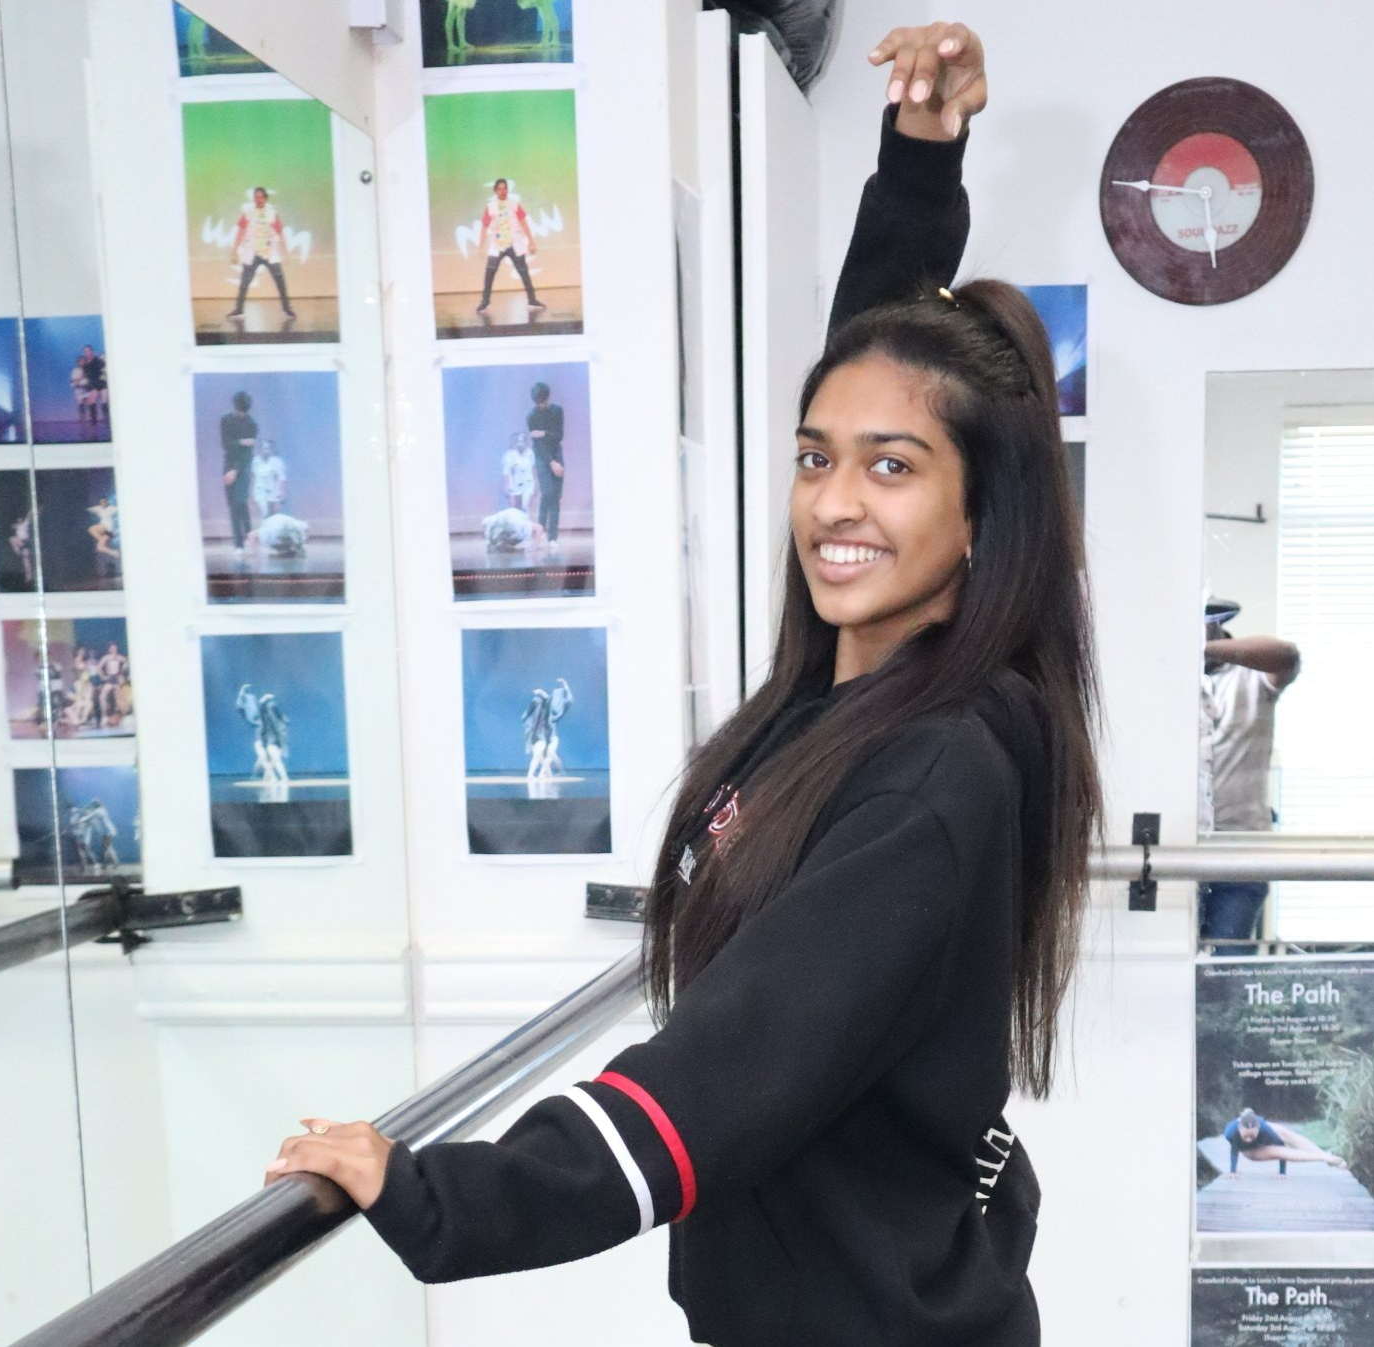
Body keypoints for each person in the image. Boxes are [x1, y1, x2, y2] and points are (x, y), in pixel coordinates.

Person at [269, 25, 1097, 1347]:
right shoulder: (856, 696)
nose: (833, 501)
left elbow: (727, 1068)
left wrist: (444, 1197)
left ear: (981, 517)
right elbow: (883, 368)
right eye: (815, 456)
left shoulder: (934, 772)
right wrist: (918, 170)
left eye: (891, 469)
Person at [1199, 598, 1300, 947]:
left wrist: (1197, 647)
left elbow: (1286, 655)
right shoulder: (1165, 682)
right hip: (1177, 850)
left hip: (1240, 853)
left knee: (1224, 977)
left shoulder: (1252, 676)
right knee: (1168, 968)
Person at [475, 178, 545, 318]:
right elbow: (484, 226)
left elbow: (523, 223)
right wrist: (480, 246)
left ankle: (532, 299)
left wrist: (531, 241)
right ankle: (485, 301)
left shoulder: (514, 205)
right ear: (495, 190)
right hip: (497, 244)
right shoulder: (490, 206)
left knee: (524, 272)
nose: (503, 191)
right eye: (500, 189)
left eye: (505, 188)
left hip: (514, 243)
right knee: (489, 273)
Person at [228, 186, 297, 320]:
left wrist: (285, 251)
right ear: (254, 198)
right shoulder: (247, 213)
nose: (258, 200)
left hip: (269, 252)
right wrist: (234, 250)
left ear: (265, 198)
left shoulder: (272, 213)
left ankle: (287, 309)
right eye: (256, 197)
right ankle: (238, 309)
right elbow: (241, 232)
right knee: (244, 281)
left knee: (280, 280)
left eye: (261, 197)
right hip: (252, 252)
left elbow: (279, 232)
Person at [1220, 1107, 1347, 1175]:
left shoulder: (1265, 1127)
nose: (1248, 1139)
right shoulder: (1230, 1132)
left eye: (1251, 1136)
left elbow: (1281, 1145)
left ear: (1258, 1128)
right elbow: (1234, 1151)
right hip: (1250, 1151)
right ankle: (1324, 1157)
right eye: (1245, 1136)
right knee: (1274, 1151)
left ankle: (1326, 1157)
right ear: (1239, 1128)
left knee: (1285, 1133)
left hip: (1265, 1136)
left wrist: (1282, 1172)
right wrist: (1232, 1171)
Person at [527, 381, 565, 553]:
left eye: (543, 401)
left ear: (548, 398)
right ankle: (540, 530)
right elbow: (539, 445)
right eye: (538, 402)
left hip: (557, 453)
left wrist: (543, 433)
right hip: (543, 458)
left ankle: (553, 537)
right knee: (547, 492)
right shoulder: (531, 415)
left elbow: (558, 436)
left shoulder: (557, 411)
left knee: (555, 496)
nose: (541, 405)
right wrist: (551, 463)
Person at [219, 391, 258, 555]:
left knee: (239, 501)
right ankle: (248, 537)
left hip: (243, 465)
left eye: (245, 412)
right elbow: (226, 445)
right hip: (229, 464)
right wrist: (242, 441)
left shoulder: (251, 423)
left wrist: (235, 470)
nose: (243, 415)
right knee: (233, 505)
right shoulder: (225, 420)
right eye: (240, 411)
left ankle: (241, 543)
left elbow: (247, 453)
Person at [249, 438, 288, 526]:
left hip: (273, 490)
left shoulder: (277, 462)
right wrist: (251, 495)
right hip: (259, 490)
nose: (265, 450)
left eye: (267, 448)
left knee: (274, 514)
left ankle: (274, 533)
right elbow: (252, 478)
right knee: (265, 512)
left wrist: (282, 492)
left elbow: (282, 478)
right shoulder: (255, 461)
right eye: (263, 448)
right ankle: (265, 533)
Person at [501, 430, 537, 514]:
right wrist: (506, 486)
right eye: (519, 441)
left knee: (525, 507)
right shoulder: (509, 455)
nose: (521, 443)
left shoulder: (530, 453)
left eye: (523, 441)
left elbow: (533, 469)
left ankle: (525, 525)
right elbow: (506, 472)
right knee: (514, 509)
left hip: (528, 483)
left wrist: (536, 485)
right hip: (514, 484)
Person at [77, 343, 108, 436]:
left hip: (101, 384)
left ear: (91, 351)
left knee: (104, 403)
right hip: (93, 385)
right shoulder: (86, 364)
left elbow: (103, 368)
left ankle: (108, 421)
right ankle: (94, 424)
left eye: (88, 351)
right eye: (85, 351)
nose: (87, 353)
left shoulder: (97, 360)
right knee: (92, 402)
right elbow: (85, 376)